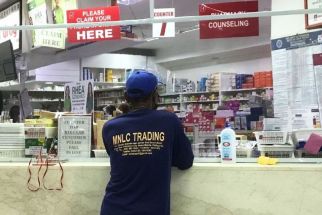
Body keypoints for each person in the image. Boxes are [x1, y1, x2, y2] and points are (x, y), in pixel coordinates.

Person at [101, 70, 194, 215]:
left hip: (113, 208)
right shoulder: (169, 121)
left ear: (126, 97)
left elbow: (118, 157)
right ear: (155, 96)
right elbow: (185, 161)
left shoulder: (110, 127)